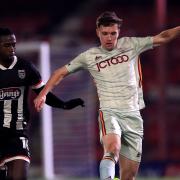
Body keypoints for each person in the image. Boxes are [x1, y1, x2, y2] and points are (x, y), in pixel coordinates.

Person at [34, 11, 180, 180]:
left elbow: (163, 37)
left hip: (133, 114)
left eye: (113, 33)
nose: (109, 38)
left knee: (128, 176)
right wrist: (43, 94)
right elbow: (60, 72)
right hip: (110, 111)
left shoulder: (131, 44)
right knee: (112, 148)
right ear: (98, 32)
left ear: (118, 32)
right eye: (105, 34)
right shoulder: (89, 56)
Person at [0, 27, 84, 180]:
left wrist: (63, 104)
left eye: (13, 44)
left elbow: (42, 92)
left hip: (17, 135)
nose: (12, 48)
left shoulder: (25, 67)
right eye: (7, 45)